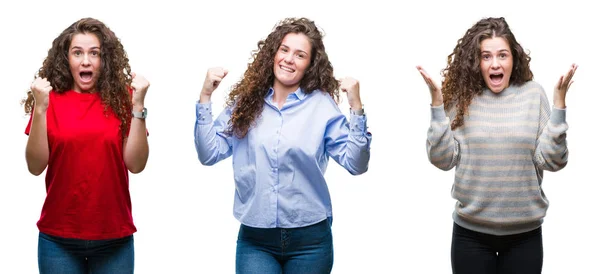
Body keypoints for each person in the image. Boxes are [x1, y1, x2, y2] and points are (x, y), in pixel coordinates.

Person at [194, 17, 371, 273]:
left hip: (310, 241)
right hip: (256, 240)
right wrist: (205, 97)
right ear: (273, 53)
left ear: (310, 64)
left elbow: (356, 164)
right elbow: (208, 153)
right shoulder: (246, 103)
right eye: (284, 50)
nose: (289, 59)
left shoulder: (321, 106)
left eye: (300, 55)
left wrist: (356, 108)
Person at [417, 17, 576, 274]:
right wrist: (437, 106)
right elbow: (442, 160)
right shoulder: (463, 97)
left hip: (524, 236)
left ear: (513, 58)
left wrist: (559, 107)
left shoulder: (533, 94)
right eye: (486, 56)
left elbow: (553, 161)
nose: (495, 64)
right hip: (471, 235)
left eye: (502, 55)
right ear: (476, 61)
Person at [22, 17, 150, 274]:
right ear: (65, 58)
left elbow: (136, 165)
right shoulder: (49, 101)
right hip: (58, 239)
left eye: (95, 54)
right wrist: (40, 110)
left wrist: (138, 106)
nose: (86, 61)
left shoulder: (123, 98)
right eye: (77, 53)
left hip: (115, 239)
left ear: (106, 60)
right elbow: (35, 166)